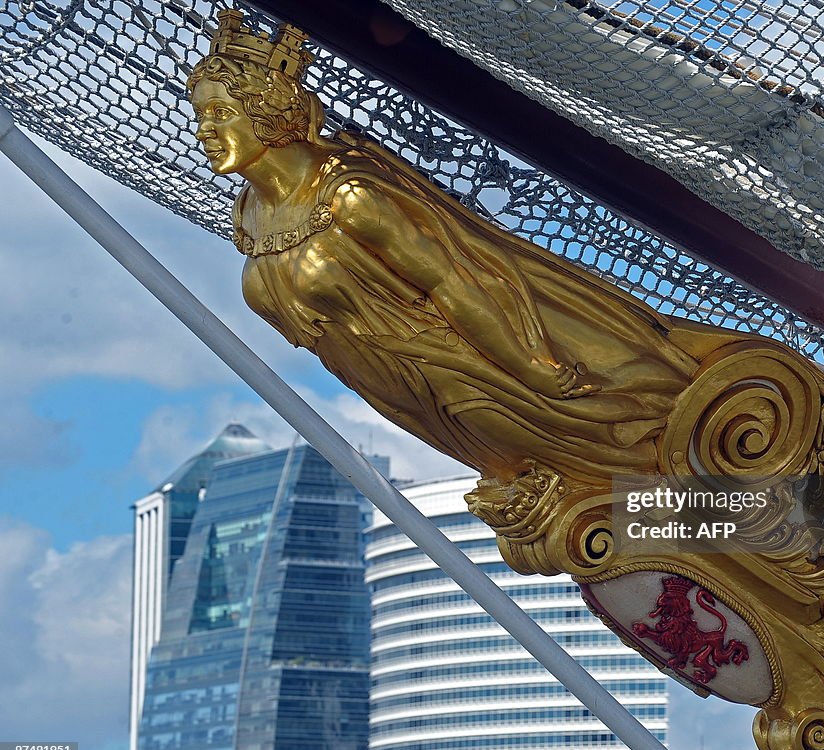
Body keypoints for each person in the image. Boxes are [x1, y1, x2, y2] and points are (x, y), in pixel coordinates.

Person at [188, 11, 708, 485]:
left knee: (621, 460)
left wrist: (529, 368)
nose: (204, 129)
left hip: (464, 372)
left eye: (219, 112)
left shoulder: (349, 196)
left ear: (265, 110)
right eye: (201, 114)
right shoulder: (250, 215)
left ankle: (712, 488)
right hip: (400, 395)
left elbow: (451, 280)